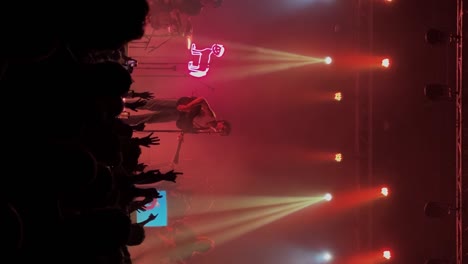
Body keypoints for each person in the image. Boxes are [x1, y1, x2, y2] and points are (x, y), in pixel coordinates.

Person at [122, 97, 231, 135]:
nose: (220, 130)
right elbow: (202, 100)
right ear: (222, 122)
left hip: (177, 116)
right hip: (179, 106)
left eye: (222, 132)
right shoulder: (211, 116)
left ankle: (123, 121)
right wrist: (188, 106)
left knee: (149, 119)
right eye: (223, 128)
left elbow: (189, 126)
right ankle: (123, 103)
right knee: (151, 105)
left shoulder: (205, 129)